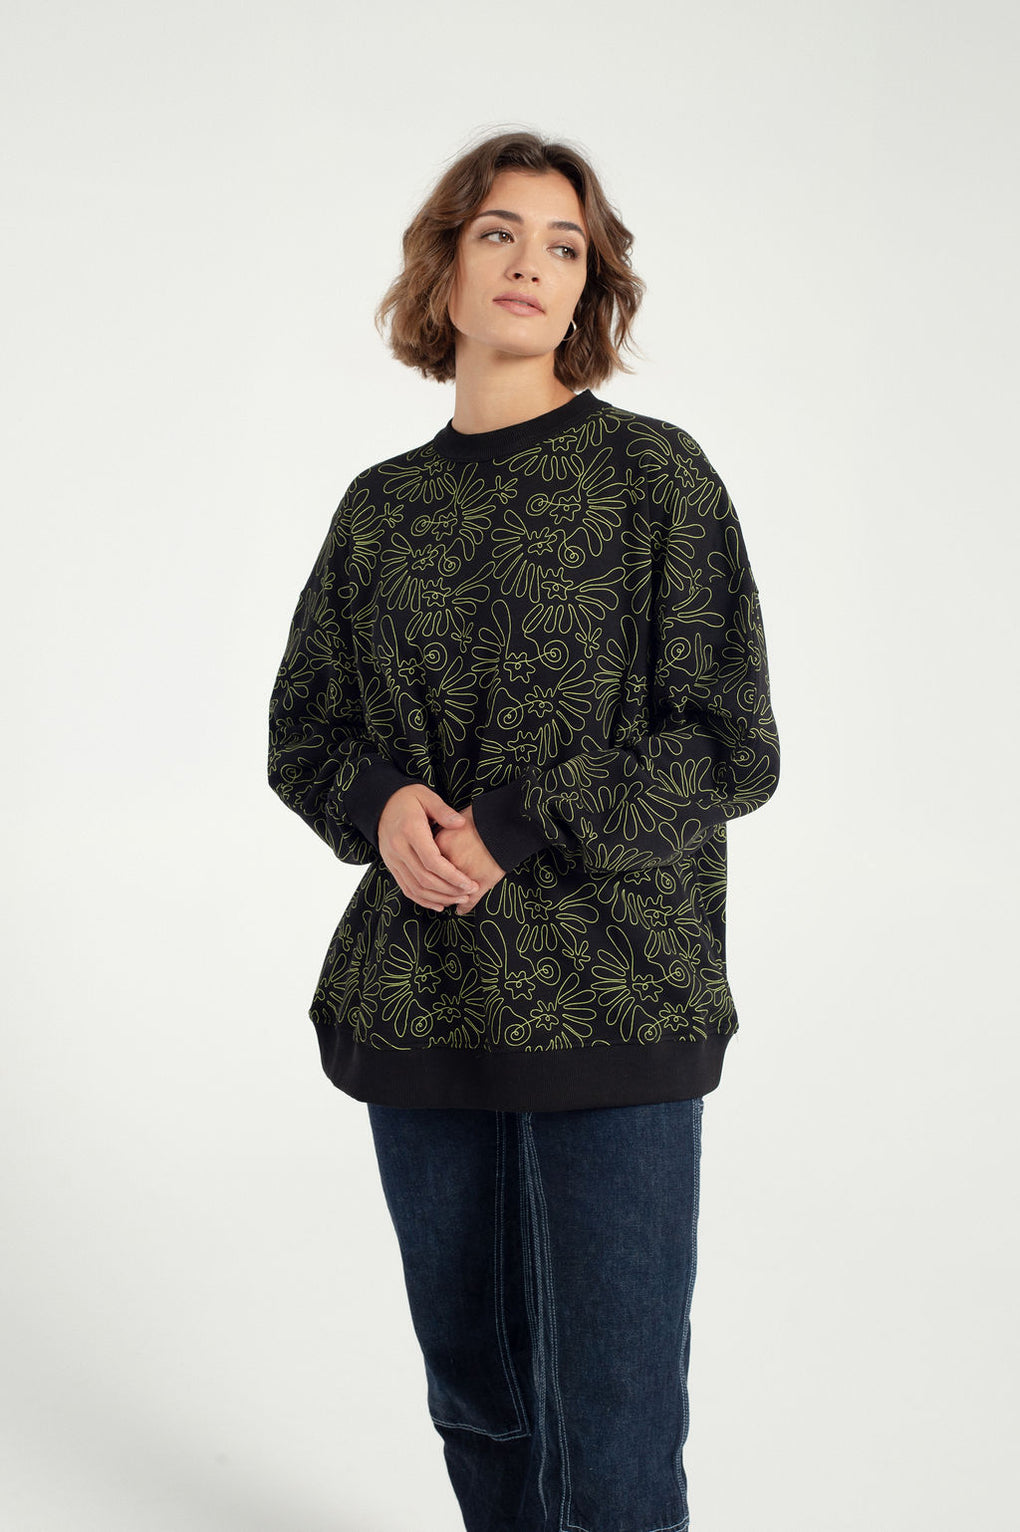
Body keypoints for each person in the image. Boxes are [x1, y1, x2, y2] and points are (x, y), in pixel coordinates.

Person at [267, 128, 780, 1532]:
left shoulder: (657, 481)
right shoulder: (381, 511)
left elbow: (730, 744)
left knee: (615, 1444)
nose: (531, 264)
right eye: (499, 232)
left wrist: (517, 823)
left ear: (589, 288)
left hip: (617, 1000)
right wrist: (383, 804)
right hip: (424, 1004)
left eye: (565, 246)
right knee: (481, 1408)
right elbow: (305, 732)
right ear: (444, 267)